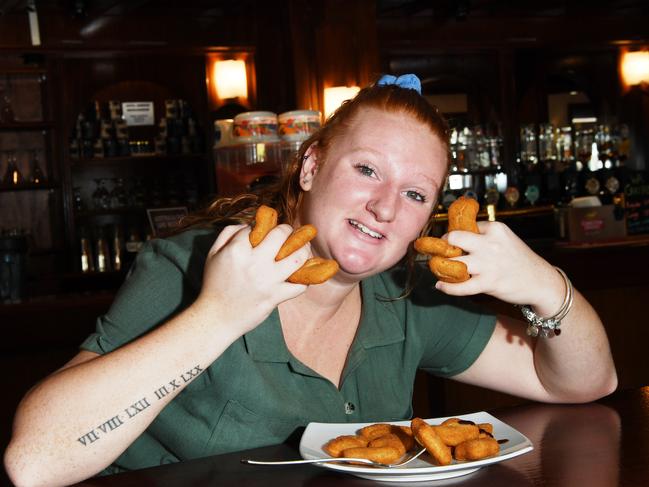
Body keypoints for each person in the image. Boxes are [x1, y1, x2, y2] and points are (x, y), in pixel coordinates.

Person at [4, 74, 617, 486]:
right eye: (366, 169)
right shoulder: (192, 262)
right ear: (311, 166)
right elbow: (34, 462)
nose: (383, 207)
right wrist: (217, 315)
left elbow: (582, 381)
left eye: (412, 193)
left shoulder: (406, 290)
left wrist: (544, 284)